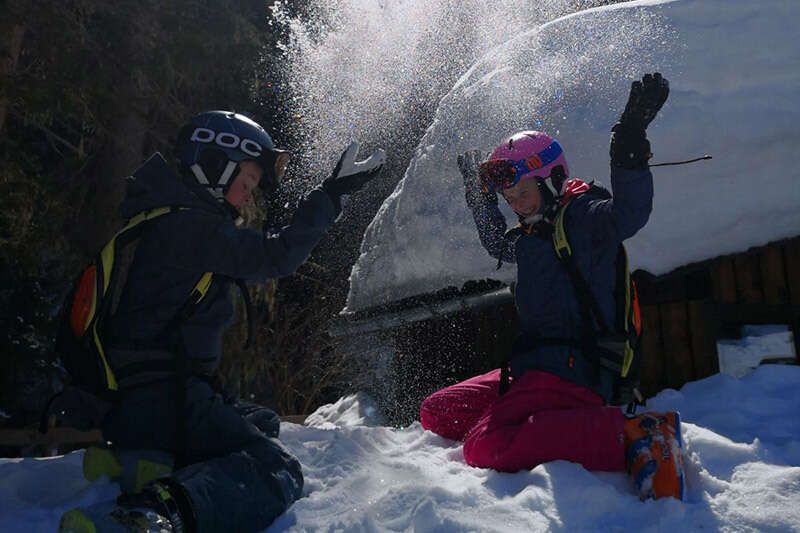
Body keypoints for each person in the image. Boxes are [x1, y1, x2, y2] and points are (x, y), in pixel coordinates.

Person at [59, 110, 386, 532]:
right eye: (246, 182)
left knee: (261, 421)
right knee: (276, 468)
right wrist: (329, 195)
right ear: (214, 165)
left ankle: (143, 459)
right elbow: (277, 256)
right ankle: (154, 513)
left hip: (140, 393)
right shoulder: (191, 226)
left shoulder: (165, 215)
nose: (247, 196)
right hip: (164, 395)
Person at [419, 74, 685, 500]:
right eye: (508, 198)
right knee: (437, 411)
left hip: (575, 370)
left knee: (482, 445)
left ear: (550, 180)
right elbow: (496, 242)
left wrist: (630, 141)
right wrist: (478, 197)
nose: (516, 204)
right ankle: (539, 422)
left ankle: (633, 434)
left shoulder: (583, 219)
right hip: (534, 368)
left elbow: (629, 214)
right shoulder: (530, 236)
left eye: (521, 192)